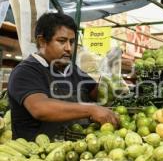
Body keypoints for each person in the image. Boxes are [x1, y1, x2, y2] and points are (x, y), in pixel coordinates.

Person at [7, 12, 119, 141]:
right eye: (62, 41)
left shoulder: (73, 71)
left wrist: (109, 73)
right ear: (42, 41)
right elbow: (40, 108)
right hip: (37, 155)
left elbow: (95, 94)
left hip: (73, 151)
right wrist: (90, 109)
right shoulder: (26, 71)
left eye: (71, 42)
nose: (69, 48)